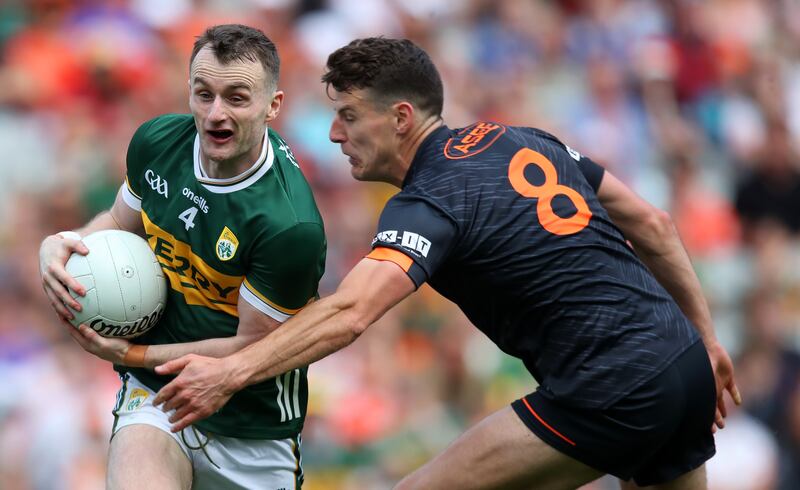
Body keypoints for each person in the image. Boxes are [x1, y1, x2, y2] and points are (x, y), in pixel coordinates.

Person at [153, 37, 741, 489]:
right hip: (685, 361)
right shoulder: (523, 138)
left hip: (612, 384)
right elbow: (654, 225)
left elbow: (352, 312)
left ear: (401, 118)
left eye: (349, 116)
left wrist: (232, 373)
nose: (334, 134)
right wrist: (708, 340)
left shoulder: (429, 200)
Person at [37, 24, 326, 490]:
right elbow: (118, 223)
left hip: (251, 428)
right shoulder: (157, 143)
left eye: (236, 98)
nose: (215, 114)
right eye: (203, 94)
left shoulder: (289, 225)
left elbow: (253, 346)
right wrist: (62, 243)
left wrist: (135, 353)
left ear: (273, 106)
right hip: (156, 397)